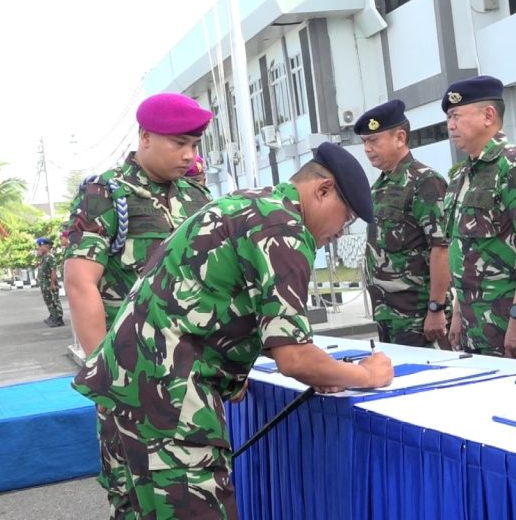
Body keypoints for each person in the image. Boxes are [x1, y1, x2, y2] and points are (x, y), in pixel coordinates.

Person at [72, 142, 394, 519]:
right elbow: (294, 358)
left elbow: (215, 304)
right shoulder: (284, 230)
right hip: (169, 400)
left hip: (125, 392)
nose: (341, 232)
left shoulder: (248, 205)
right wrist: (365, 374)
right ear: (322, 191)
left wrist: (276, 364)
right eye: (347, 217)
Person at [63, 92, 213, 517]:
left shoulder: (197, 197)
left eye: (194, 145)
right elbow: (80, 283)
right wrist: (103, 374)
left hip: (192, 374)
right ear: (146, 137)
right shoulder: (106, 193)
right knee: (134, 496)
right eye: (178, 143)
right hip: (132, 377)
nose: (188, 155)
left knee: (195, 490)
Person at [441, 75, 516, 360]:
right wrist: (457, 313)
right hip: (473, 327)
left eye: (456, 115)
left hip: (507, 327)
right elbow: (464, 252)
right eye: (448, 118)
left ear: (488, 115)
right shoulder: (462, 176)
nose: (450, 125)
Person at [357, 100, 452, 348]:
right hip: (388, 315)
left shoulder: (425, 182)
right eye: (364, 142)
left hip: (417, 316)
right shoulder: (380, 186)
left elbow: (441, 247)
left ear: (400, 138)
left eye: (374, 141)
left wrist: (436, 308)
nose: (367, 149)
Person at [35, 237, 64, 327]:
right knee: (48, 301)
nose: (38, 248)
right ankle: (53, 316)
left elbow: (53, 271)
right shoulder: (44, 258)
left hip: (49, 284)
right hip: (45, 284)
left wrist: (52, 284)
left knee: (54, 301)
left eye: (40, 246)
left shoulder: (50, 257)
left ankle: (58, 319)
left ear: (45, 246)